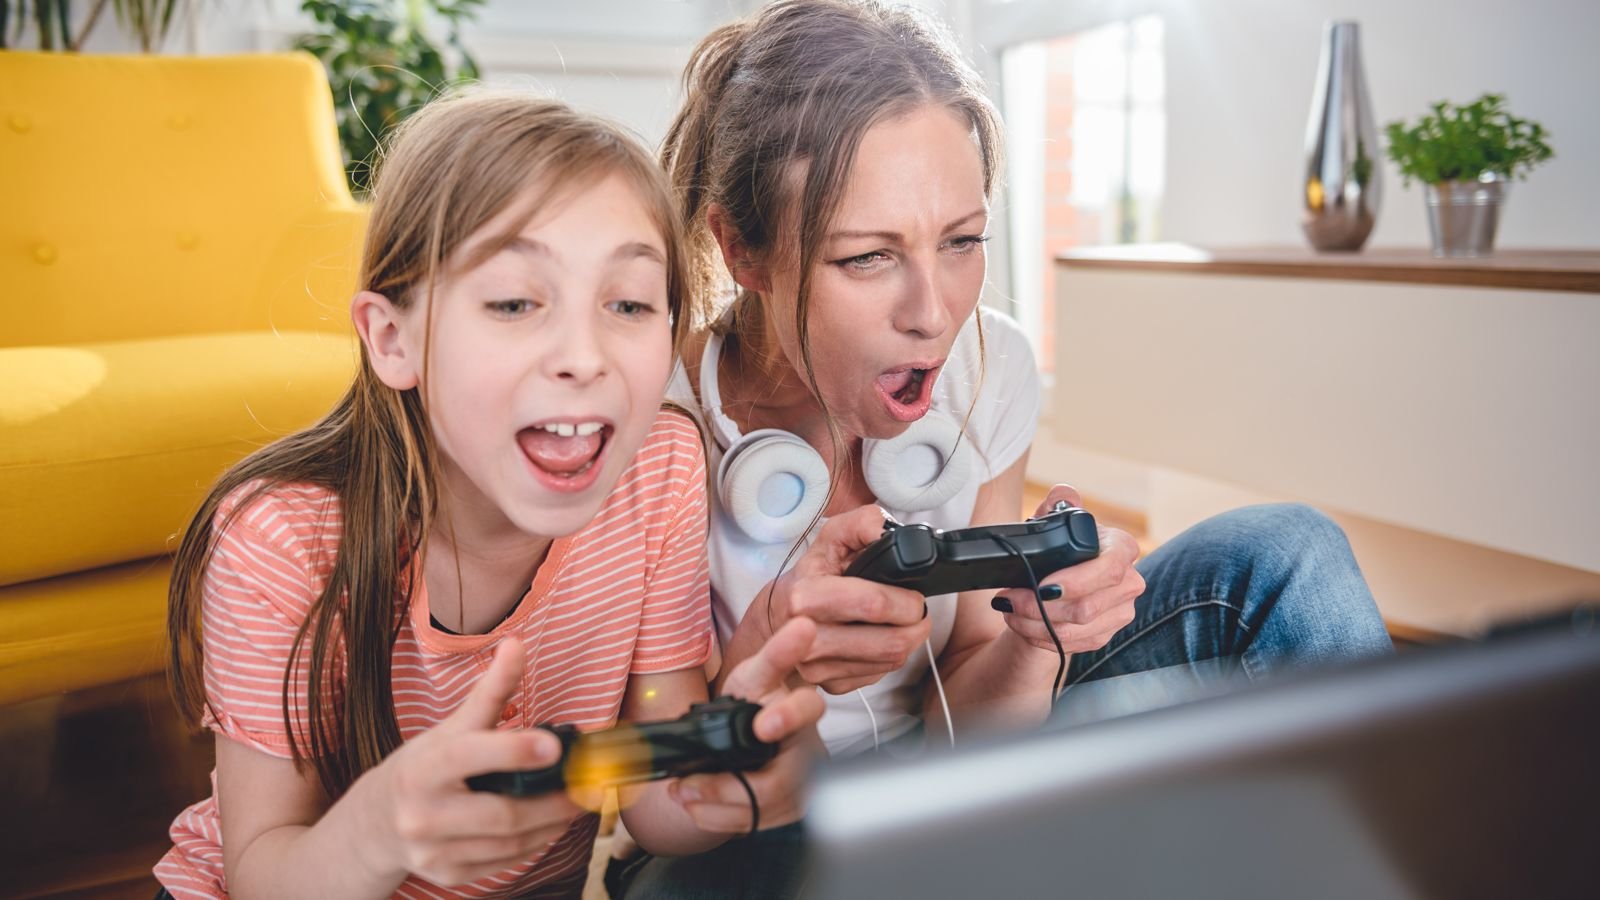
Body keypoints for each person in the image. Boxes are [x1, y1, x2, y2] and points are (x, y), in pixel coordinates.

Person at [613, 1, 1394, 895]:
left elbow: (972, 720)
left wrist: (1037, 643)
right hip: (743, 831)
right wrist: (762, 672)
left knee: (1287, 554)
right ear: (740, 249)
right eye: (868, 257)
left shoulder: (990, 368)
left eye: (962, 242)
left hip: (945, 778)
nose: (934, 311)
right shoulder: (650, 427)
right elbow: (660, 803)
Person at [152, 90, 823, 899]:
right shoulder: (283, 540)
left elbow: (656, 809)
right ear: (393, 340)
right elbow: (264, 874)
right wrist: (381, 827)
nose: (584, 355)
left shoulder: (661, 471)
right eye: (514, 302)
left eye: (630, 304)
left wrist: (730, 774)